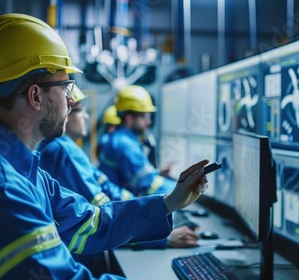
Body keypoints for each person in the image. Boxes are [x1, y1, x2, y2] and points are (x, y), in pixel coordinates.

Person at [0, 13, 208, 280]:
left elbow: (90, 224)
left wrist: (169, 202)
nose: (72, 100)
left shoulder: (14, 164)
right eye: (65, 87)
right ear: (35, 96)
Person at [38, 87, 199, 249]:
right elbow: (98, 217)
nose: (86, 116)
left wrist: (158, 209)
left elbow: (107, 188)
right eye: (79, 110)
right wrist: (158, 229)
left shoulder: (64, 148)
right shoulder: (64, 151)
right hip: (90, 250)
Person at [98, 85, 177, 196]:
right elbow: (147, 185)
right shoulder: (126, 145)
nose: (148, 122)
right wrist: (183, 188)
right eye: (145, 116)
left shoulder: (119, 138)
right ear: (129, 118)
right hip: (123, 207)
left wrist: (157, 173)